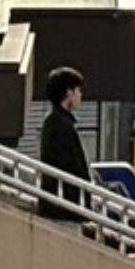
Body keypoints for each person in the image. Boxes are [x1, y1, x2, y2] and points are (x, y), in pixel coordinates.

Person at [37, 66, 93, 223]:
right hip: (64, 209)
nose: (81, 96)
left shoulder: (54, 122)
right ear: (69, 93)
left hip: (60, 206)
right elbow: (69, 165)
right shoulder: (61, 125)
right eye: (78, 91)